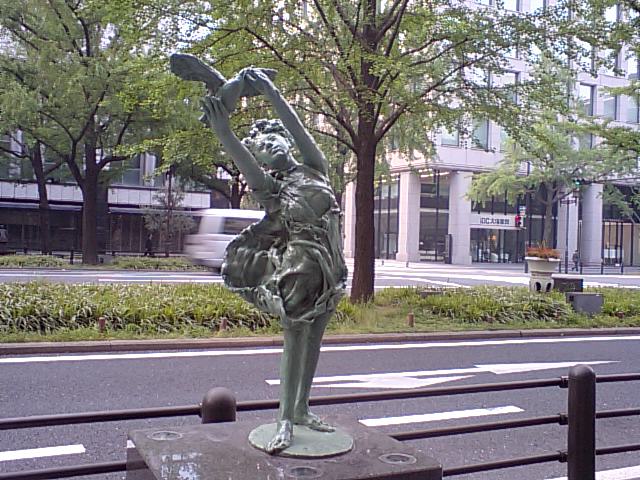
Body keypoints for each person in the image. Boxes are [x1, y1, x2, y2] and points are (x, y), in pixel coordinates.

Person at [201, 68, 347, 454]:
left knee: (314, 341)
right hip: (298, 273)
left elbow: (297, 127)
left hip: (331, 270)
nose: (269, 146)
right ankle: (284, 418)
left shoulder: (315, 167)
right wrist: (223, 132)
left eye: (272, 139)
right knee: (294, 341)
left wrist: (270, 92)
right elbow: (241, 157)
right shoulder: (272, 190)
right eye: (262, 148)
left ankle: (301, 410)